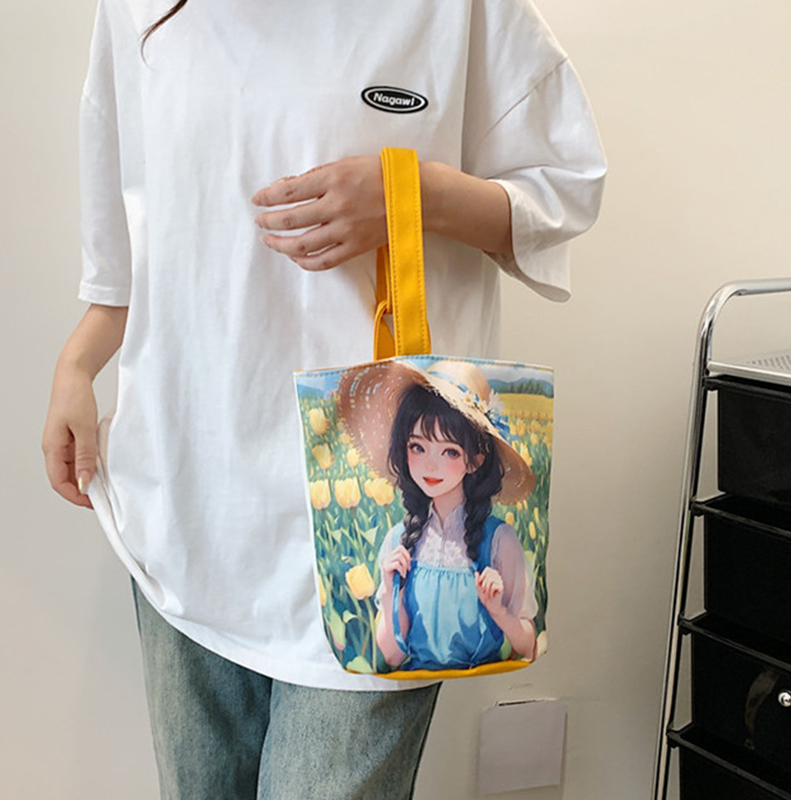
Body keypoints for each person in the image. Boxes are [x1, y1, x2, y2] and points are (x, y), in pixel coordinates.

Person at [41, 0, 606, 798]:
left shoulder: (457, 11)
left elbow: (566, 191)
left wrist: (412, 194)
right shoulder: (141, 9)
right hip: (183, 497)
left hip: (381, 529)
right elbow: (136, 225)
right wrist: (78, 362)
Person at [347, 360, 539, 672]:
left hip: (481, 686)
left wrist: (498, 611)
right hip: (410, 684)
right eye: (417, 447)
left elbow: (528, 647)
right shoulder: (398, 540)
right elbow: (391, 657)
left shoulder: (499, 540)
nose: (430, 465)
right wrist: (391, 588)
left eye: (449, 451)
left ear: (475, 460)